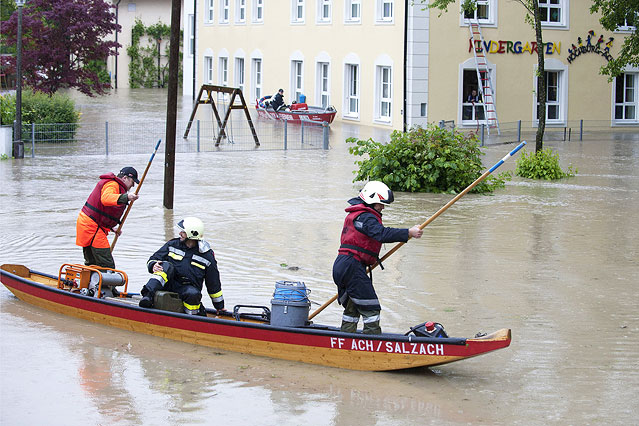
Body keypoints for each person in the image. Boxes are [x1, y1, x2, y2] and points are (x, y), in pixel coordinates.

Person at [332, 181, 423, 335]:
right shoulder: (365, 217)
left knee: (353, 306)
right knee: (371, 306)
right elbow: (382, 234)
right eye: (380, 204)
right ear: (370, 200)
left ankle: (346, 337)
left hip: (347, 265)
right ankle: (372, 341)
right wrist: (408, 232)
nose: (382, 207)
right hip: (350, 266)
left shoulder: (359, 215)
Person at [138, 217, 225, 316]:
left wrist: (219, 306)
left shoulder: (207, 256)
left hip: (187, 290)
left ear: (192, 233)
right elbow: (153, 258)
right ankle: (147, 296)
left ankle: (191, 320)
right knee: (166, 266)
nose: (180, 234)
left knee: (193, 294)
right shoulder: (172, 244)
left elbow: (213, 283)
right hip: (167, 284)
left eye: (183, 232)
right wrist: (153, 265)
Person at [76, 167, 140, 269]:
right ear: (124, 178)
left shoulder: (114, 185)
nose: (132, 186)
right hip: (91, 226)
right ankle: (105, 285)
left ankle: (91, 284)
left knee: (92, 263)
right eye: (132, 182)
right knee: (107, 264)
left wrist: (111, 228)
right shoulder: (112, 184)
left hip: (88, 224)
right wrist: (126, 197)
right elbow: (106, 199)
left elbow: (102, 211)